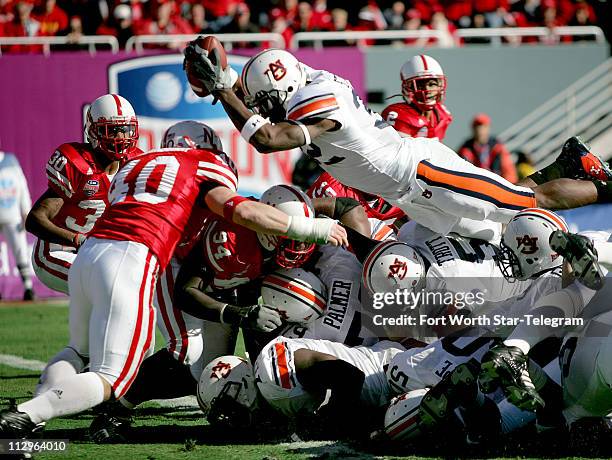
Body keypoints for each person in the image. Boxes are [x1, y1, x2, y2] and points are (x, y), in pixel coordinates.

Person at [0, 123, 347, 438]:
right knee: (128, 371)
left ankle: (34, 415)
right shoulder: (217, 206)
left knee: (82, 350)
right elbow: (238, 218)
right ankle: (68, 412)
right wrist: (309, 231)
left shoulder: (138, 164)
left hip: (95, 251)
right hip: (145, 260)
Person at [184, 42, 612, 244]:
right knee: (488, 235)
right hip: (409, 192)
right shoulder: (305, 80)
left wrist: (223, 89)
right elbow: (270, 101)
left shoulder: (317, 102)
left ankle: (604, 185)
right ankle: (565, 165)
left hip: (422, 172)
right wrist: (227, 84)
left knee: (523, 205)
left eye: (266, 101)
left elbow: (267, 139)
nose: (265, 108)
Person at [26, 93, 140, 295]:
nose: (121, 137)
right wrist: (78, 239)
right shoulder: (77, 164)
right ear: (93, 132)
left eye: (125, 129)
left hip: (98, 252)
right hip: (57, 251)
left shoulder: (135, 164)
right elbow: (35, 220)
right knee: (104, 283)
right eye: (113, 131)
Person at [381, 55, 453, 142]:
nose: (427, 90)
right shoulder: (398, 114)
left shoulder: (443, 115)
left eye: (432, 84)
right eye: (420, 85)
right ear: (408, 88)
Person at [0, 148, 34, 300]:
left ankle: (28, 287)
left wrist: (25, 211)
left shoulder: (10, 161)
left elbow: (22, 187)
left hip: (12, 215)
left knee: (20, 250)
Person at [457, 113, 518, 184]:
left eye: (484, 127)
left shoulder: (498, 148)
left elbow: (509, 173)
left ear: (488, 128)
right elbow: (461, 172)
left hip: (497, 186)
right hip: (475, 186)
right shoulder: (466, 149)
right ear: (473, 129)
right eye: (477, 127)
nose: (480, 130)